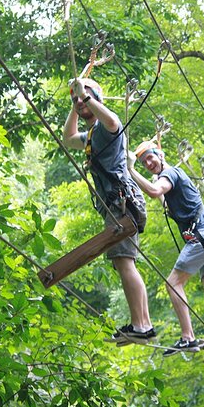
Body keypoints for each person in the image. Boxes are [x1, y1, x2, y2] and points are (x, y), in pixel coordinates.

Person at [127, 140, 204, 369]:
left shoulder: (171, 172)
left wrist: (131, 169)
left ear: (161, 155)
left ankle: (188, 337)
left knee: (173, 284)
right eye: (144, 161)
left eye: (151, 157)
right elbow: (159, 192)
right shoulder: (168, 176)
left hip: (203, 236)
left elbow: (156, 191)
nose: (148, 163)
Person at [62, 78, 155, 345]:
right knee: (123, 262)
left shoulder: (106, 128)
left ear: (97, 99)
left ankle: (141, 324)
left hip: (122, 202)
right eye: (77, 100)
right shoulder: (91, 134)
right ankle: (142, 324)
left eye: (86, 98)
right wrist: (75, 101)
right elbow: (68, 139)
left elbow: (114, 121)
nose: (81, 103)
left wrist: (87, 97)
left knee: (124, 262)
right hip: (116, 205)